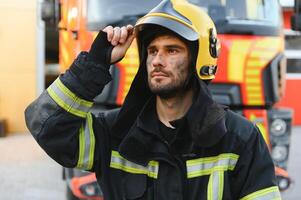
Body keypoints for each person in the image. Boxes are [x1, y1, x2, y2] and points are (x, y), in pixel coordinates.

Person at [25, 0, 281, 199]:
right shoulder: (114, 134)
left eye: (172, 50)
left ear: (199, 59)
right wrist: (94, 64)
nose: (157, 60)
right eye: (152, 51)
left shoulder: (241, 138)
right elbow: (45, 126)